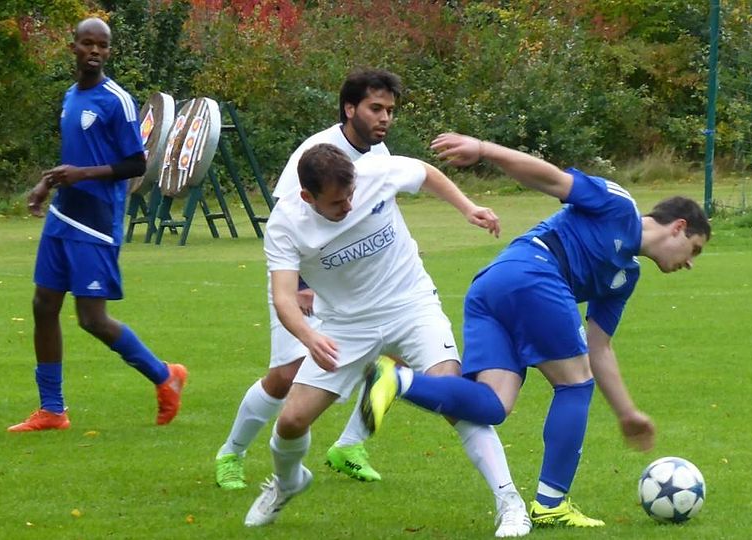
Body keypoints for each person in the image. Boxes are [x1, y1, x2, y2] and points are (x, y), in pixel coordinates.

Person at [361, 132, 711, 528]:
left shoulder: (624, 277)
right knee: (575, 384)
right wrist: (484, 150)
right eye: (695, 249)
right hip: (534, 272)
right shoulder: (618, 205)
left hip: (492, 287)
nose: (690, 263)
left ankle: (397, 379)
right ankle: (550, 503)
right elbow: (550, 179)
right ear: (678, 227)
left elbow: (600, 348)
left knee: (493, 405)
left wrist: (626, 412)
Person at [243, 143, 533, 538]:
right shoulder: (285, 224)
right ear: (308, 197)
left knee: (453, 394)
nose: (348, 206)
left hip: (411, 306)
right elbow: (283, 297)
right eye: (336, 203)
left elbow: (426, 172)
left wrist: (468, 207)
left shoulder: (375, 172)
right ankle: (288, 482)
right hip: (345, 325)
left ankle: (510, 503)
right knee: (292, 421)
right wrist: (309, 337)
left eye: (351, 196)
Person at [215, 69, 406, 489]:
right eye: (376, 108)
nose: (384, 118)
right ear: (350, 108)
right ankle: (232, 452)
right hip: (303, 279)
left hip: (353, 283)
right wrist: (302, 285)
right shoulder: (316, 153)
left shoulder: (379, 152)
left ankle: (350, 445)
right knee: (286, 375)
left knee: (398, 358)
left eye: (390, 110)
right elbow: (289, 220)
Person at [12, 17, 187, 432]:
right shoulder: (71, 96)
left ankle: (165, 375)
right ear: (73, 47)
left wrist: (82, 175)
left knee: (91, 318)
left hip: (95, 222)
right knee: (43, 306)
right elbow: (75, 155)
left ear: (109, 52)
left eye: (102, 45)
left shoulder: (117, 101)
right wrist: (47, 184)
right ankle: (52, 409)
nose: (94, 51)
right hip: (63, 215)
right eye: (87, 43)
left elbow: (136, 164)